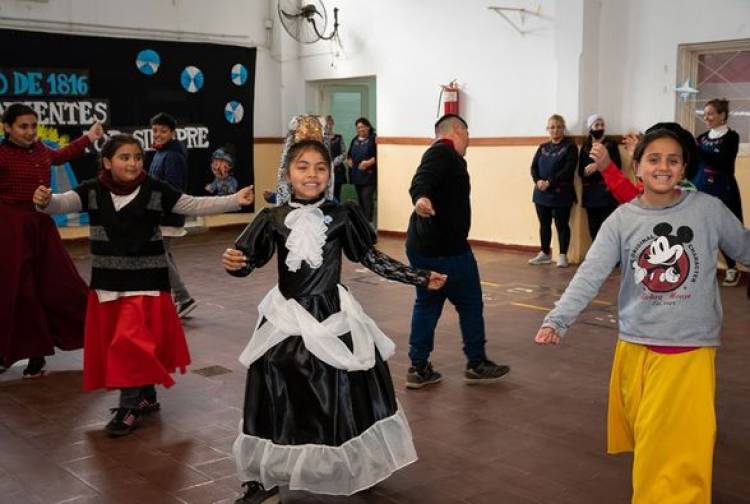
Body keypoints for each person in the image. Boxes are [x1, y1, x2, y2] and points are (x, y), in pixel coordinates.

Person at [221, 115, 446, 503]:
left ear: (331, 172)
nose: (312, 175)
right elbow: (247, 261)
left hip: (332, 312)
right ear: (288, 172)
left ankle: (356, 463)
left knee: (342, 386)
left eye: (321, 168)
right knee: (274, 383)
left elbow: (370, 257)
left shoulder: (343, 214)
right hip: (286, 315)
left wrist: (417, 276)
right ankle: (264, 473)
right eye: (302, 167)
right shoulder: (272, 217)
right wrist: (234, 264)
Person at [535, 128, 750, 503]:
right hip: (634, 348)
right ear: (638, 166)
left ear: (684, 166)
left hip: (688, 352)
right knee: (651, 440)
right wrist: (558, 318)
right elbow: (590, 273)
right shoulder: (622, 219)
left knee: (675, 452)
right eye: (654, 159)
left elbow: (745, 248)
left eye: (673, 159)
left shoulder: (708, 210)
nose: (663, 167)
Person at [33, 133, 254, 437]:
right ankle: (146, 395)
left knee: (129, 344)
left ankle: (129, 407)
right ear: (107, 162)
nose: (134, 163)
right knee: (128, 345)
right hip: (109, 286)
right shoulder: (93, 190)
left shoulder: (154, 189)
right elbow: (62, 203)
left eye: (138, 157)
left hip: (147, 284)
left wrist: (233, 199)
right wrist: (46, 202)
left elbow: (190, 204)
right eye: (125, 157)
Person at [405, 113, 510, 389]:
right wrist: (421, 198)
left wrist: (423, 198)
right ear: (456, 130)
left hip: (422, 245)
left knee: (427, 303)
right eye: (467, 135)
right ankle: (477, 363)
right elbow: (421, 180)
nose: (469, 143)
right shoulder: (442, 152)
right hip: (447, 250)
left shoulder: (442, 154)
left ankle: (418, 367)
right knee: (470, 303)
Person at [0, 103, 103, 378]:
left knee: (60, 284)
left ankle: (96, 336)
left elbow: (62, 154)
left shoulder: (42, 149)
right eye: (23, 126)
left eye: (33, 126)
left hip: (42, 227)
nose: (30, 132)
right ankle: (23, 352)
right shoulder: (0, 155)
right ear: (7, 128)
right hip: (10, 229)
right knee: (19, 292)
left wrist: (89, 138)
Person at [148, 112, 196, 318]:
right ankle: (179, 297)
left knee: (159, 254)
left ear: (173, 133)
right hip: (160, 214)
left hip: (166, 215)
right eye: (155, 130)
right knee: (164, 254)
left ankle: (184, 297)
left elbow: (172, 189)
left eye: (163, 131)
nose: (158, 134)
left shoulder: (173, 156)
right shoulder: (161, 153)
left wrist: (155, 209)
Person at [693, 99, 743, 287]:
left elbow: (723, 163)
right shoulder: (702, 138)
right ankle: (703, 269)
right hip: (701, 189)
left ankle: (731, 268)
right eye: (705, 114)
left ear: (722, 115)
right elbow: (693, 163)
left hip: (724, 190)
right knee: (703, 230)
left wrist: (697, 149)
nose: (706, 118)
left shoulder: (732, 137)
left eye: (711, 114)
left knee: (726, 230)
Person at [528, 114, 578, 267]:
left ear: (563, 128)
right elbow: (534, 167)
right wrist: (538, 181)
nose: (555, 130)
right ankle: (544, 253)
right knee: (544, 224)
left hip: (561, 192)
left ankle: (563, 255)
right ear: (547, 129)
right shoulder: (542, 147)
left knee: (561, 224)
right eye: (552, 127)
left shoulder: (570, 147)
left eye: (558, 127)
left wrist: (550, 181)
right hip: (541, 193)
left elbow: (568, 170)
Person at [578, 114, 622, 240]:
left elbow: (616, 166)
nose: (600, 127)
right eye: (597, 125)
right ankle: (597, 257)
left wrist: (598, 166)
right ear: (590, 128)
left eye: (602, 125)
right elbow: (581, 172)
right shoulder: (585, 147)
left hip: (607, 192)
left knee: (608, 228)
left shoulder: (610, 144)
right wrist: (588, 171)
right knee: (593, 227)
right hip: (590, 193)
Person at [346, 117, 377, 222]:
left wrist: (369, 162)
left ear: (368, 127)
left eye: (362, 127)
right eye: (358, 128)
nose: (360, 129)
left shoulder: (373, 138)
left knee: (366, 198)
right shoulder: (354, 140)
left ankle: (368, 222)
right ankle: (363, 222)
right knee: (361, 199)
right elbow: (349, 154)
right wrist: (349, 160)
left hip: (369, 175)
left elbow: (379, 155)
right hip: (356, 175)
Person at [325, 115, 346, 202]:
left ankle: (337, 214)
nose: (328, 126)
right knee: (326, 195)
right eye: (326, 124)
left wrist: (336, 161)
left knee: (337, 194)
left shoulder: (339, 137)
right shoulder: (320, 138)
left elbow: (344, 152)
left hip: (337, 170)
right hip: (325, 170)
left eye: (330, 123)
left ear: (333, 124)